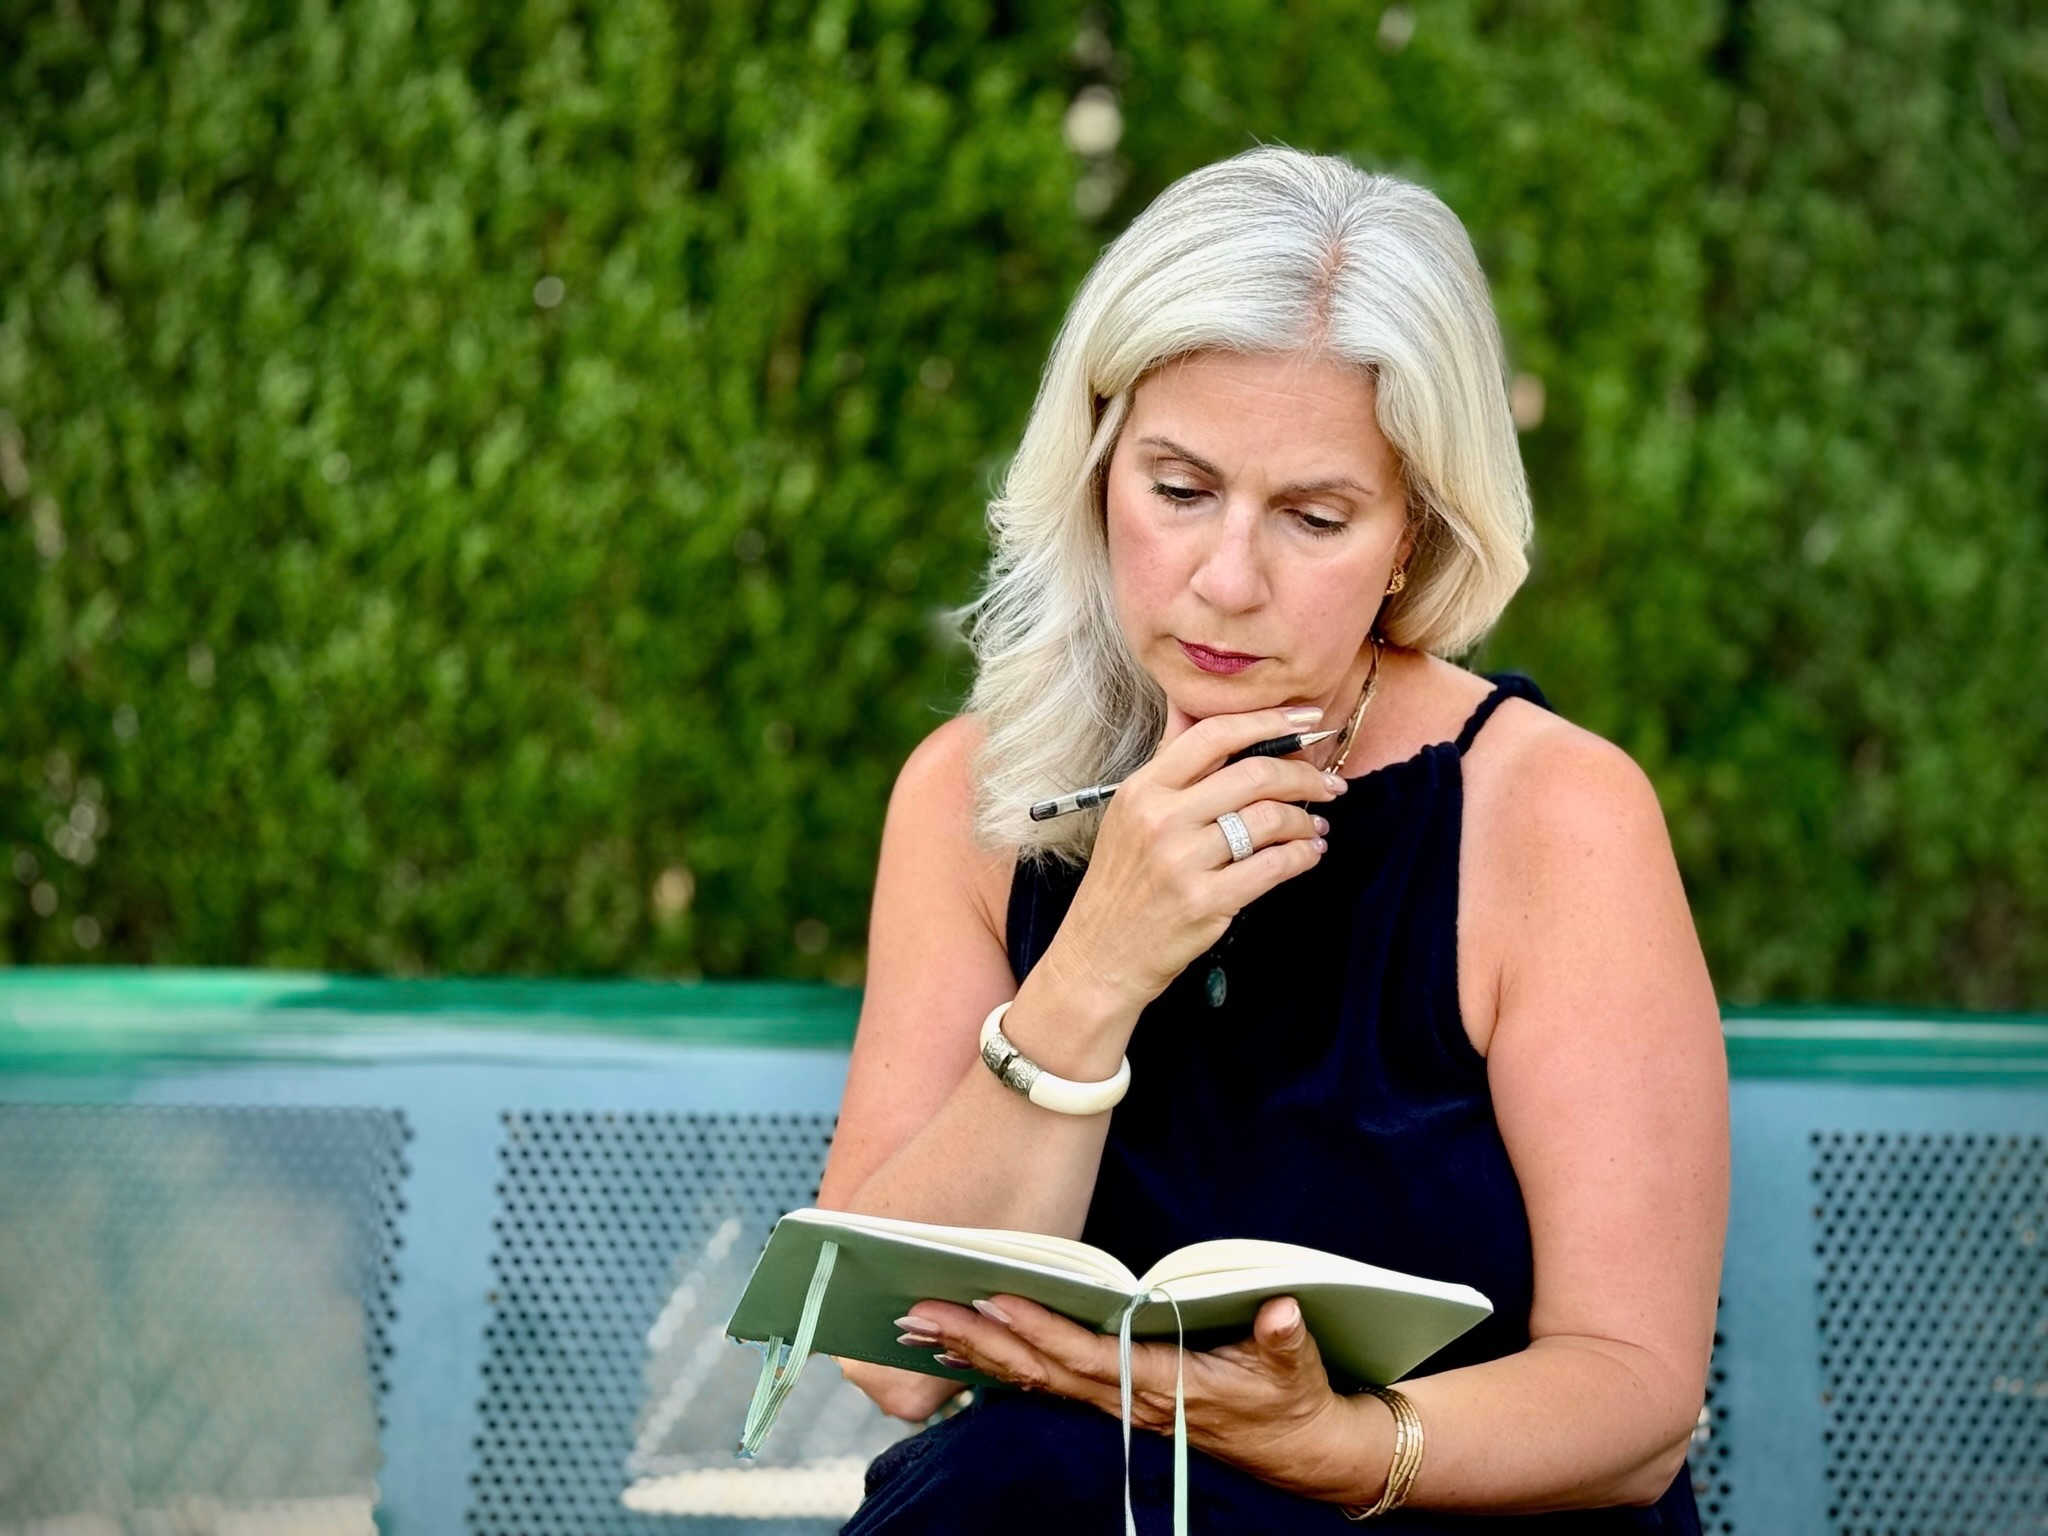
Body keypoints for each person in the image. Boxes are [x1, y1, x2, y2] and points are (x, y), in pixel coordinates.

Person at [814, 146, 1728, 1530]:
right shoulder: (975, 800)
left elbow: (1636, 1399)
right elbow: (888, 1358)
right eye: (1179, 490)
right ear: (1099, 462)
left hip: (1449, 1511)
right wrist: (1094, 972)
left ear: (1414, 532)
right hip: (1071, 1507)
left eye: (1314, 517)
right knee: (1023, 1479)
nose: (1228, 579)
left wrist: (1342, 1447)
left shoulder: (1550, 817)